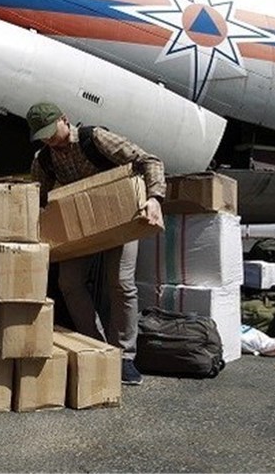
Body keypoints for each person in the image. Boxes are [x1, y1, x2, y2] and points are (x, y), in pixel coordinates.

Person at [27, 102, 165, 386]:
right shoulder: (44, 159)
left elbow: (149, 160)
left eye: (51, 131)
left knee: (121, 283)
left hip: (121, 218)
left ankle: (125, 356)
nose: (49, 139)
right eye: (43, 136)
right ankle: (94, 345)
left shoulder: (95, 138)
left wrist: (154, 198)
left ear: (64, 120)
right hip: (81, 227)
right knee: (68, 282)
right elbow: (37, 198)